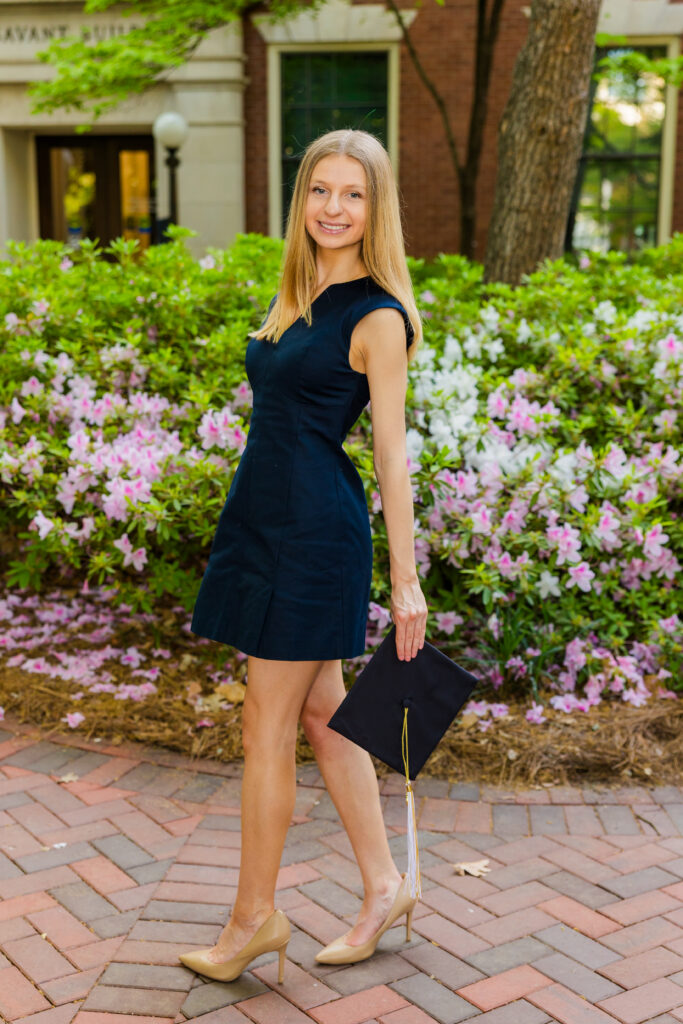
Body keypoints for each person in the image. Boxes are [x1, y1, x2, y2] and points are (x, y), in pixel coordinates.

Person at [179, 128, 428, 984]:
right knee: (324, 717)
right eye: (320, 190)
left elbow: (392, 454)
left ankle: (253, 919)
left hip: (313, 534)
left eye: (352, 195)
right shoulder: (298, 291)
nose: (333, 208)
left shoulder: (378, 317)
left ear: (376, 208)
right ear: (302, 201)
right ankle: (384, 884)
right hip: (264, 519)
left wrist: (405, 581)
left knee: (266, 726)